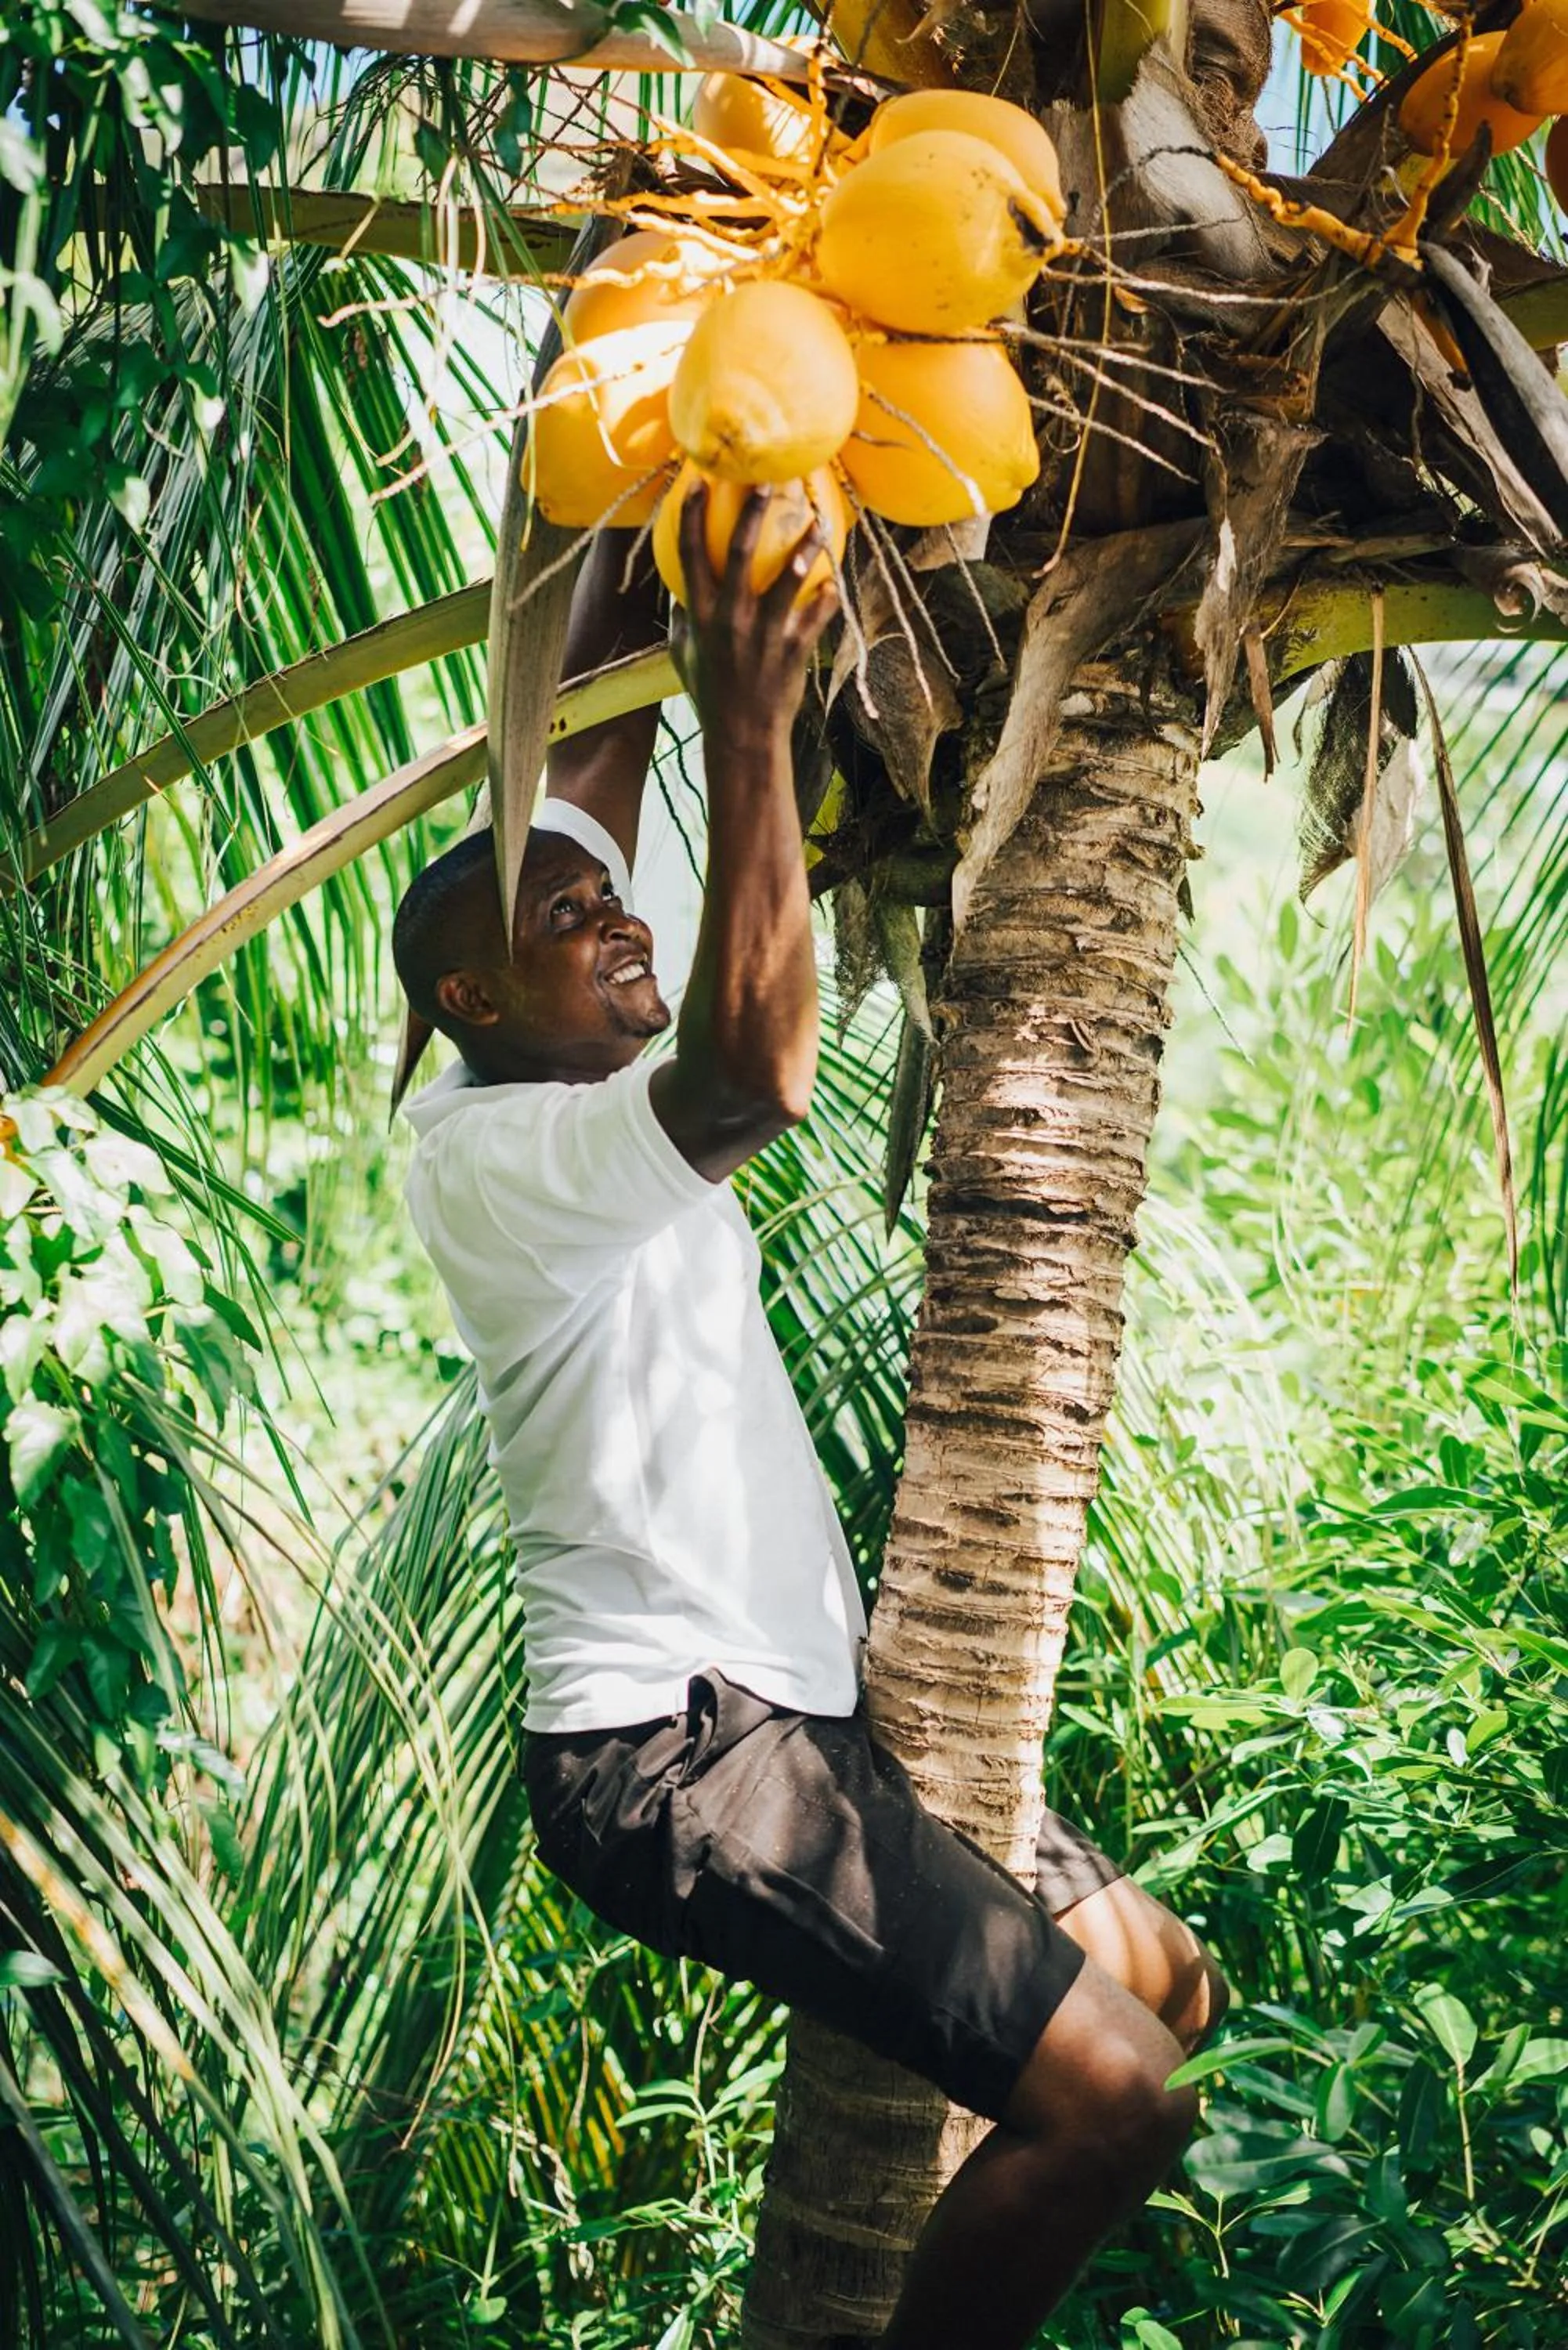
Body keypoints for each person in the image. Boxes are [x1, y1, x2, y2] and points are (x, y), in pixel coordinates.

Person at [393, 490, 1229, 2350]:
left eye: (608, 893)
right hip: (673, 1762)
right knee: (1116, 2103)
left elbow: (577, 753)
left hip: (809, 1725)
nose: (616, 916)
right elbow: (755, 1076)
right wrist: (752, 712)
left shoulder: (551, 1042)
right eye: (571, 920)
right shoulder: (505, 1152)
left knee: (1163, 1987)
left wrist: (640, 465)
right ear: (474, 998)